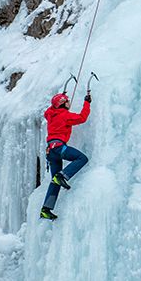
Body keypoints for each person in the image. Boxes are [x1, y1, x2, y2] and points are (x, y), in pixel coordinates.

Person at [40, 91, 91, 220]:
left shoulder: (50, 114)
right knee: (82, 158)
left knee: (55, 181)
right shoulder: (65, 115)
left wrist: (59, 99)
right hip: (59, 148)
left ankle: (46, 209)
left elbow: (49, 110)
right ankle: (63, 175)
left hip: (50, 151)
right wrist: (87, 102)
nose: (69, 102)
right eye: (67, 101)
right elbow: (82, 118)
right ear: (63, 104)